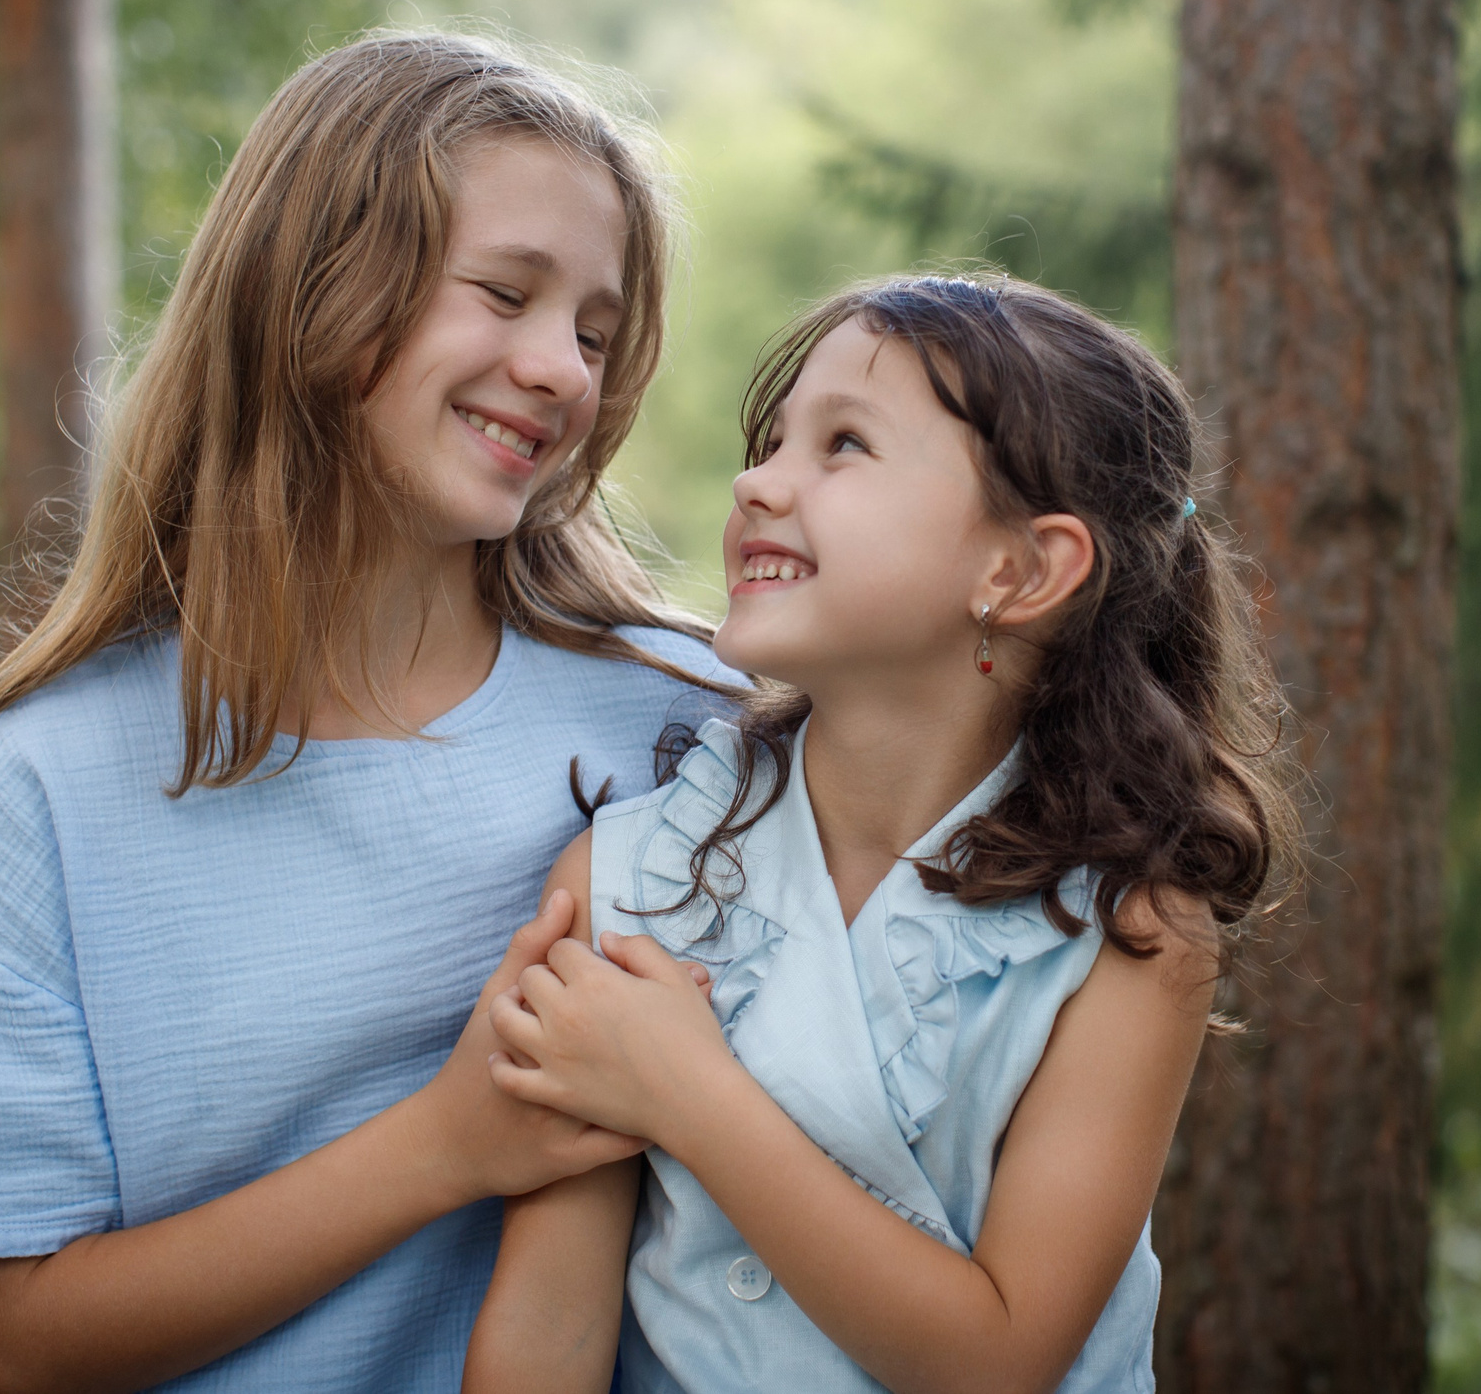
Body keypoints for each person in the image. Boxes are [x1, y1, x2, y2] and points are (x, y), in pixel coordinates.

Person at [0, 32, 739, 1394]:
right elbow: (23, 1340)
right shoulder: (51, 781)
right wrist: (446, 1145)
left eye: (594, 331)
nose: (566, 370)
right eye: (504, 293)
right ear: (311, 287)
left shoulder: (685, 719)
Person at [460, 274, 1297, 1394]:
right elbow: (547, 1330)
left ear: (1020, 570)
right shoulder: (628, 879)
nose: (757, 480)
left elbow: (999, 1361)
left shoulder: (1131, 932)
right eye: (770, 443)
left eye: (843, 444)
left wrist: (687, 1094)